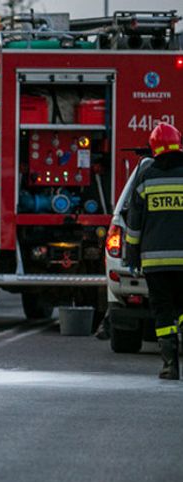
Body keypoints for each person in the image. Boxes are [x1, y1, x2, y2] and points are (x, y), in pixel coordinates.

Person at [123, 121, 183, 380]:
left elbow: (134, 225)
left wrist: (131, 256)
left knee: (163, 311)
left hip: (155, 263)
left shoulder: (145, 177)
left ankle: (170, 365)